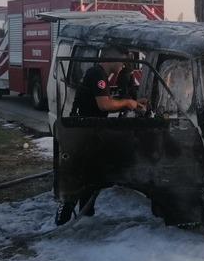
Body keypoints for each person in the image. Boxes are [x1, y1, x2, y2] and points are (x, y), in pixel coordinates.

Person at [55, 46, 148, 225]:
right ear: (112, 59)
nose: (123, 66)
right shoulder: (98, 75)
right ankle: (64, 218)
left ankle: (85, 215)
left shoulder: (99, 74)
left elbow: (105, 98)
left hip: (89, 130)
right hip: (84, 132)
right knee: (81, 175)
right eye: (122, 61)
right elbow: (104, 105)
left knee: (92, 174)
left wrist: (134, 102)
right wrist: (128, 103)